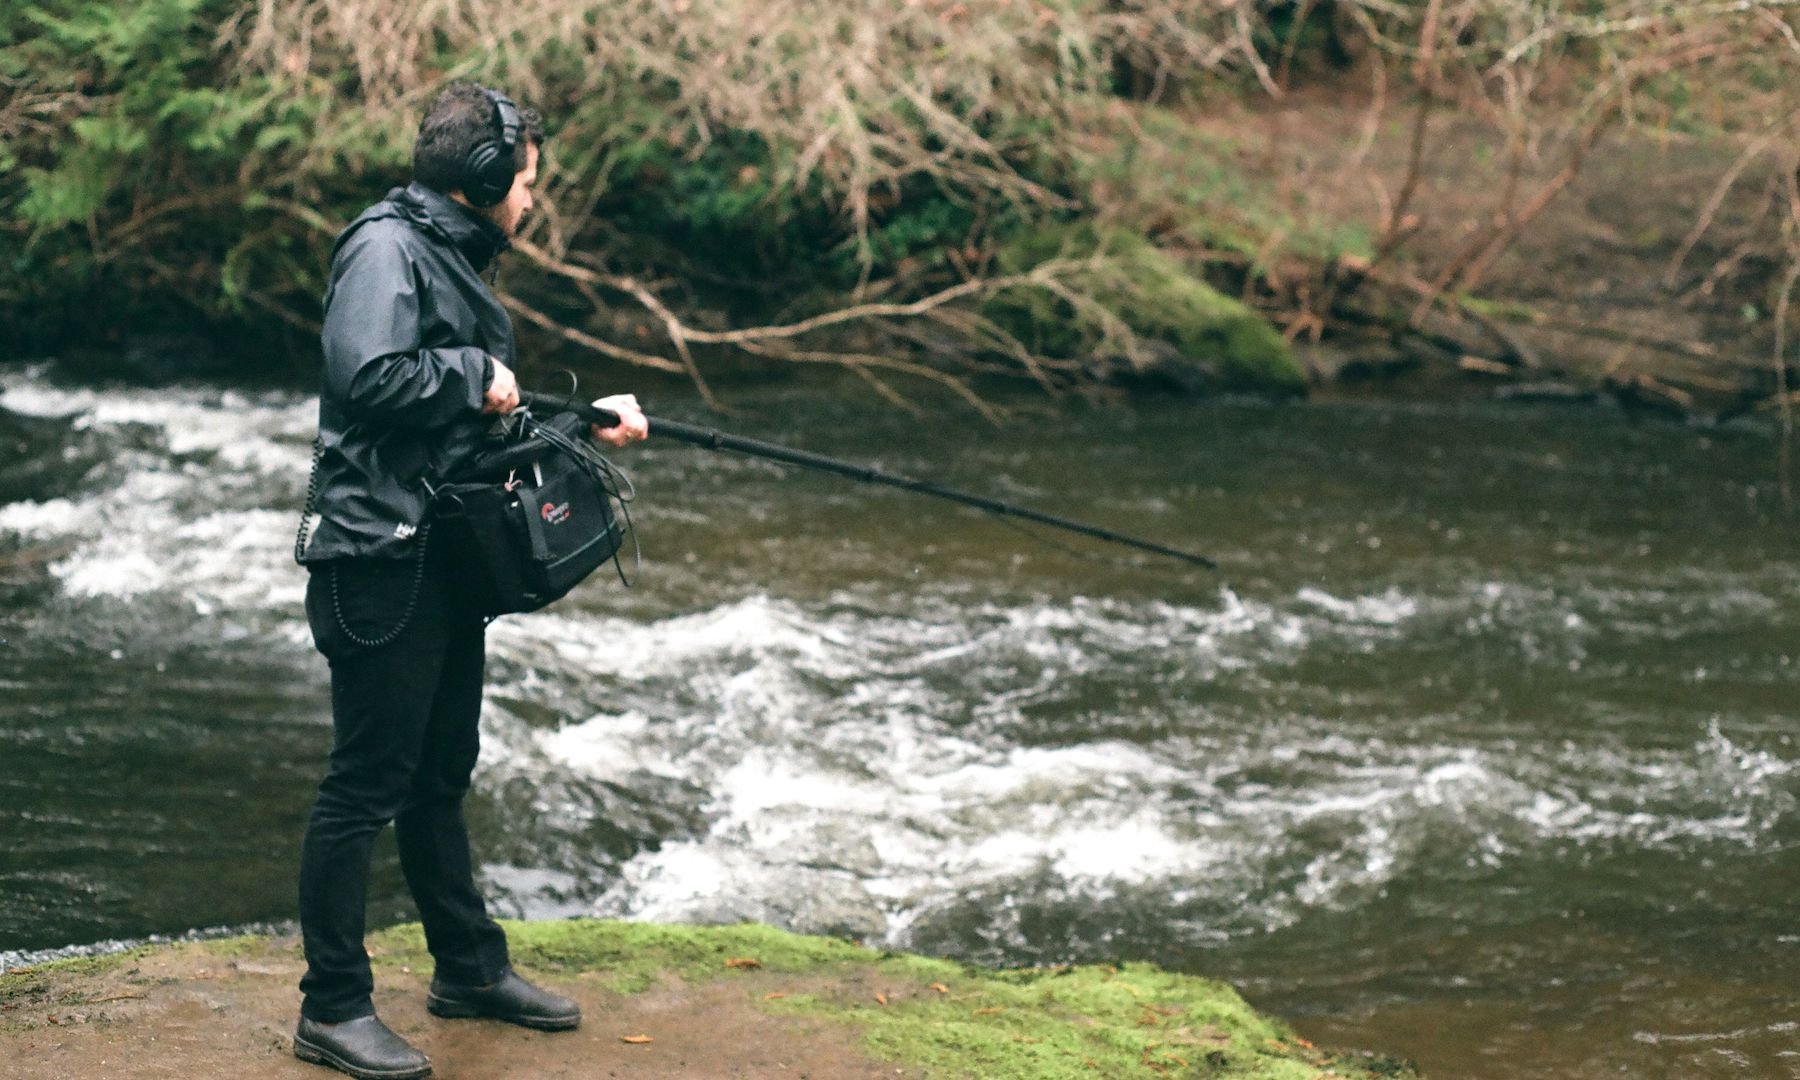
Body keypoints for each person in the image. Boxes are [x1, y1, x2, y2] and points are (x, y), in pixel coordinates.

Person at [291, 82, 647, 1080]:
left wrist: (580, 418)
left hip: (439, 560)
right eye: (526, 182)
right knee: (363, 788)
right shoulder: (384, 248)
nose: (531, 201)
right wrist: (467, 375)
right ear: (484, 179)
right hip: (377, 564)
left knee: (441, 774)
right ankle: (332, 1008)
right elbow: (365, 375)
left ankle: (468, 970)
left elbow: (465, 414)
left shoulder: (442, 249)